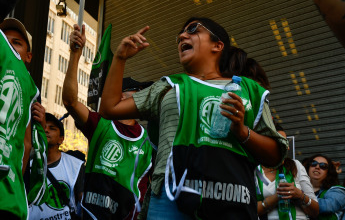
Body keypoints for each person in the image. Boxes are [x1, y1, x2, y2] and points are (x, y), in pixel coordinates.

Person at [99, 17, 289, 219]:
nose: (182, 36)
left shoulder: (249, 91)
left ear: (217, 45)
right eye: (180, 35)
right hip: (171, 194)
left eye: (192, 29)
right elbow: (110, 108)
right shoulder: (168, 86)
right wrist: (120, 58)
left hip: (232, 197)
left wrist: (243, 132)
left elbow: (276, 155)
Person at [63, 24, 154, 219]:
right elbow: (70, 101)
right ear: (120, 96)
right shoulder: (101, 123)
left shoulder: (148, 141)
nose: (144, 96)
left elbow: (144, 192)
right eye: (138, 91)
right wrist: (74, 56)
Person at [0, 0, 41, 219]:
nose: (9, 46)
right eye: (5, 40)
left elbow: (27, 145)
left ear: (29, 56)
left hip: (10, 198)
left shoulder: (32, 91)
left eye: (17, 43)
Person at [257, 122, 319, 220]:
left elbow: (315, 211)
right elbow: (248, 210)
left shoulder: (295, 166)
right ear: (267, 144)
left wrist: (300, 195)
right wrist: (277, 197)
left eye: (287, 142)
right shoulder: (255, 170)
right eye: (282, 142)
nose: (288, 147)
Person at [29, 113, 85, 219]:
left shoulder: (75, 166)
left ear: (61, 139)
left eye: (52, 128)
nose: (46, 130)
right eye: (43, 127)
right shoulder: (25, 165)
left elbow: (83, 201)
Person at [305, 154, 345, 220]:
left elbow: (327, 206)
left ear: (328, 172)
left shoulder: (338, 190)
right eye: (313, 163)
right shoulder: (300, 188)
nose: (317, 167)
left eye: (323, 166)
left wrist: (301, 198)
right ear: (308, 167)